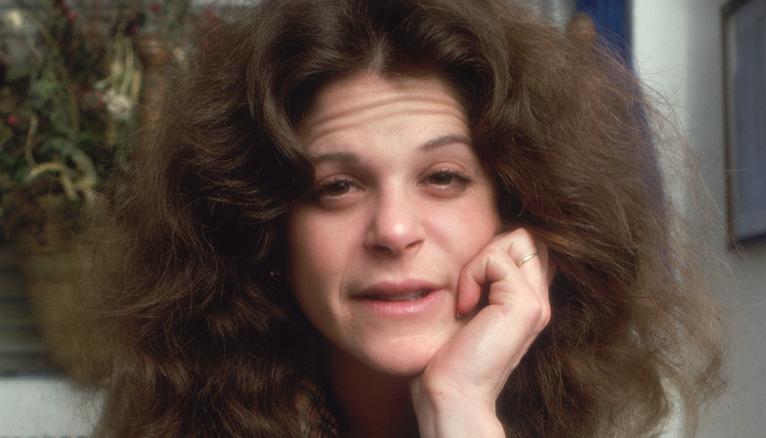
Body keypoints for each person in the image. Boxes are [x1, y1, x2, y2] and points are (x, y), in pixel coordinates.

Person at [90, 0, 725, 436]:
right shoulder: (175, 419)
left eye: (443, 178)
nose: (394, 230)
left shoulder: (605, 418)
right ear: (269, 230)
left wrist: (461, 412)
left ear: (519, 211)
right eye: (336, 187)